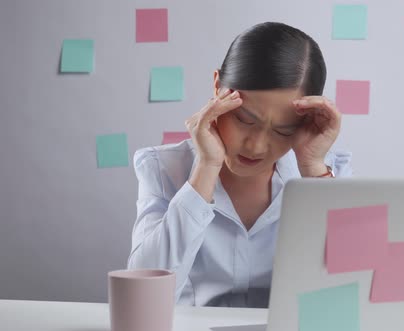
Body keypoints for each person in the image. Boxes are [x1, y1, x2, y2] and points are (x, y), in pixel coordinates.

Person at [127, 22, 353, 307]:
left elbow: (349, 294)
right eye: (245, 119)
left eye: (283, 130)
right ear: (218, 88)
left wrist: (312, 168)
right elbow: (141, 299)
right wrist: (206, 168)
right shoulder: (162, 168)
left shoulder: (326, 173)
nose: (257, 146)